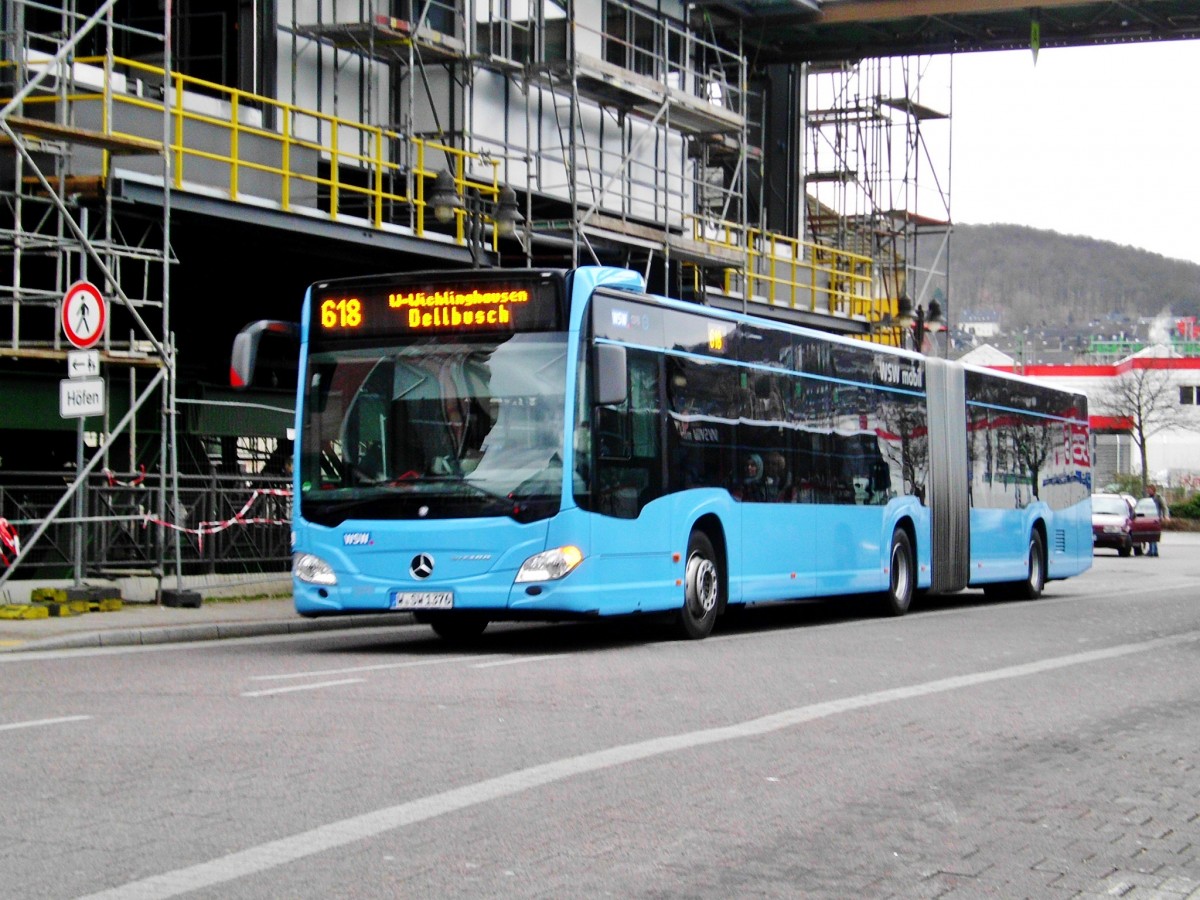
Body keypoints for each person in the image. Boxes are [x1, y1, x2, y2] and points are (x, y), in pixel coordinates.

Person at [1145, 484, 1169, 557]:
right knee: (1149, 535)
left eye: (1149, 490)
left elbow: (1164, 507)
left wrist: (1166, 516)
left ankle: (1153, 551)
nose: (1148, 491)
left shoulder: (1158, 497)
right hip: (1149, 518)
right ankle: (1153, 550)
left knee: (1154, 534)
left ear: (1153, 490)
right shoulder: (1148, 498)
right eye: (1147, 490)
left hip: (1156, 518)